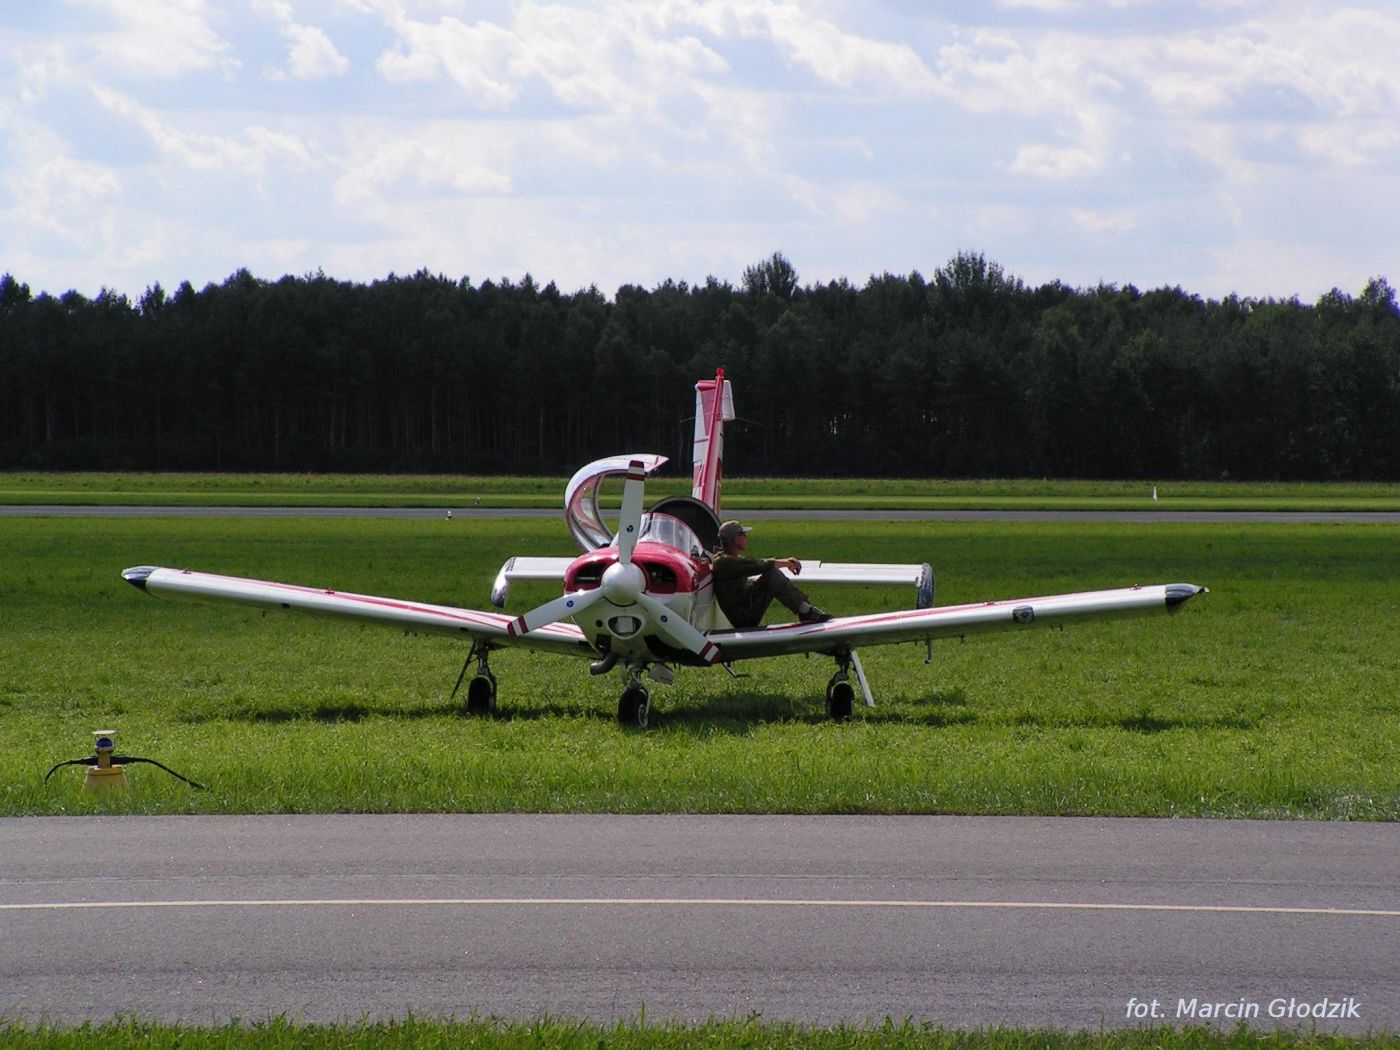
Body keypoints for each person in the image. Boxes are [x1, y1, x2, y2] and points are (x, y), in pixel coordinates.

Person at [711, 520, 833, 628]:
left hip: (742, 609)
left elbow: (754, 563)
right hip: (743, 617)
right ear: (735, 539)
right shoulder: (725, 562)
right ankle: (806, 612)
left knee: (771, 574)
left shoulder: (726, 559)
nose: (746, 538)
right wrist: (787, 563)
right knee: (772, 575)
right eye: (743, 535)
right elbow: (760, 565)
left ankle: (805, 610)